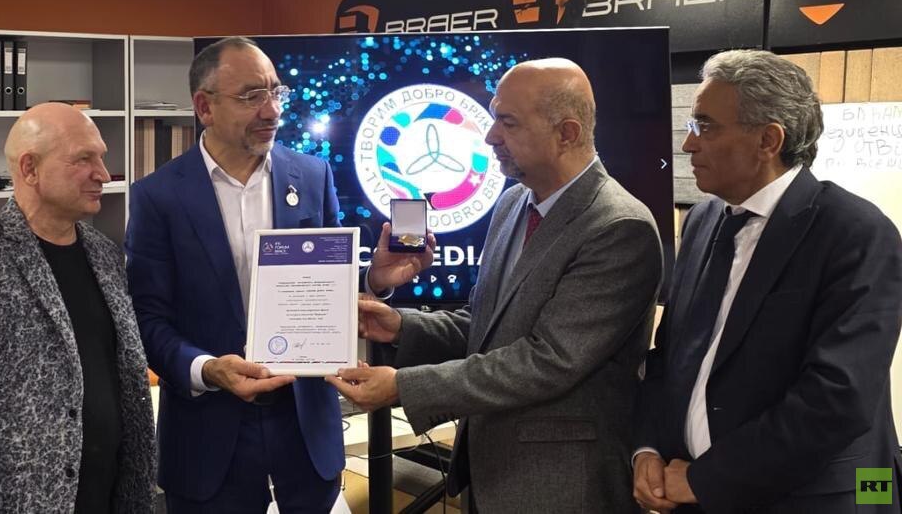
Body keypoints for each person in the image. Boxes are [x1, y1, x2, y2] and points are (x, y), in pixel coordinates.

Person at [330, 58, 663, 513]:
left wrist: (404, 386)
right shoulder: (513, 204)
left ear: (566, 133)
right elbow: (487, 325)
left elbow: (547, 360)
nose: (489, 137)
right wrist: (402, 327)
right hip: (492, 471)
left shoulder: (619, 227)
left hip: (564, 486)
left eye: (508, 122)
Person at [632, 50, 902, 513]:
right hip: (691, 492)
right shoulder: (702, 221)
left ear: (768, 140)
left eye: (705, 126)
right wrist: (648, 448)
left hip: (810, 500)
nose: (688, 144)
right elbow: (670, 356)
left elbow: (838, 397)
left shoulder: (855, 232)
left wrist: (708, 479)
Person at [125, 36, 346, 513]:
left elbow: (330, 290)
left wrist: (377, 282)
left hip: (305, 432)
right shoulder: (157, 197)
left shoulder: (313, 176)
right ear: (204, 107)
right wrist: (208, 369)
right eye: (251, 96)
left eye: (276, 92)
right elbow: (146, 320)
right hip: (208, 436)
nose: (272, 111)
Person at [0, 103, 156, 513]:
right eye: (83, 159)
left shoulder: (104, 255)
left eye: (101, 157)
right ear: (29, 169)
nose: (101, 173)